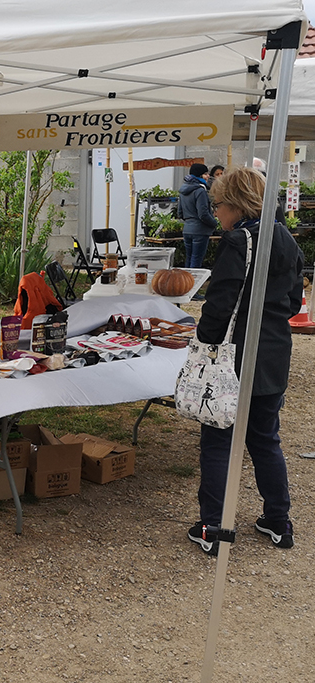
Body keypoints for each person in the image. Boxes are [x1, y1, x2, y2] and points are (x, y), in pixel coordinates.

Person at [187, 167, 304, 556]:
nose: (216, 212)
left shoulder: (239, 241)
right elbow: (292, 302)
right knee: (265, 438)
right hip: (274, 352)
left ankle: (213, 526)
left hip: (234, 355)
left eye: (218, 204)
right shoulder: (287, 239)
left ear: (236, 204)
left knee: (219, 439)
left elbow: (219, 306)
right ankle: (278, 519)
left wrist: (202, 341)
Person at [179, 163, 219, 272]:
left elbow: (180, 213)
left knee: (189, 259)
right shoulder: (200, 190)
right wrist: (215, 224)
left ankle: (185, 285)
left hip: (187, 230)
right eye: (205, 174)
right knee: (196, 261)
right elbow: (203, 214)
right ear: (199, 175)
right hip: (200, 231)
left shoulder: (183, 190)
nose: (207, 176)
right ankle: (193, 286)